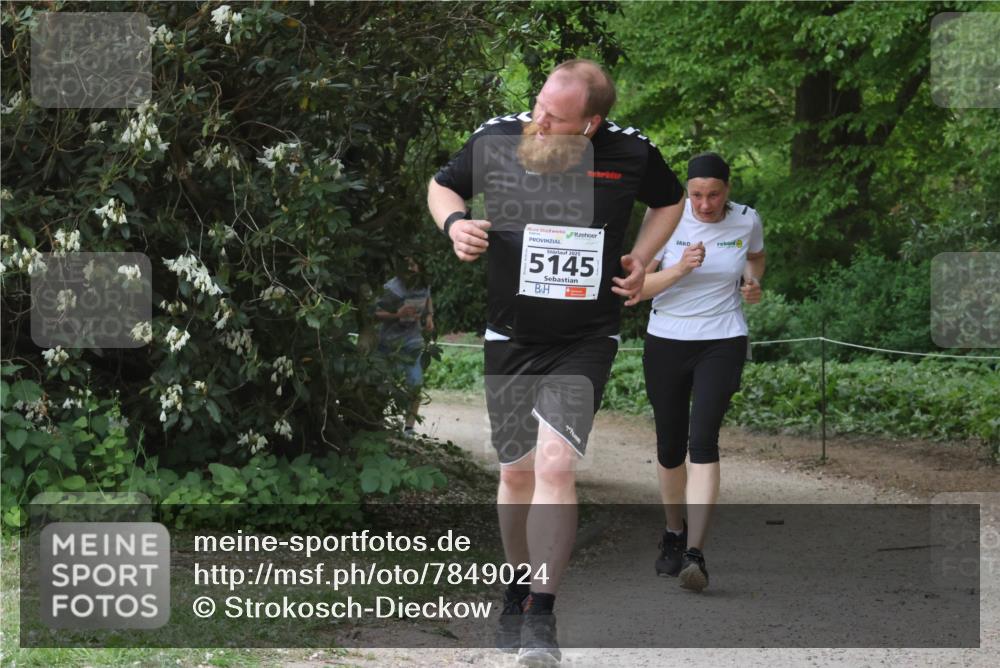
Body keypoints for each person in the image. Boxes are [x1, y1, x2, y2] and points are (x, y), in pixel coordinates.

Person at [427, 59, 684, 665]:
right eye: (538, 105)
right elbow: (442, 186)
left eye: (555, 118)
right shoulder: (497, 137)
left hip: (585, 337)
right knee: (515, 472)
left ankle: (542, 613)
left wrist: (642, 256)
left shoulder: (631, 154)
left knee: (554, 463)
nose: (538, 123)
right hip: (510, 334)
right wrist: (456, 224)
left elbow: (669, 203)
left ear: (591, 124)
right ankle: (517, 583)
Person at [639, 151, 765, 592]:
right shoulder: (666, 219)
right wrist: (679, 269)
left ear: (727, 191)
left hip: (722, 339)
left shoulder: (747, 219)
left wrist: (752, 283)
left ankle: (695, 554)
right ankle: (674, 531)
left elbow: (756, 257)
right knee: (670, 445)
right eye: (696, 195)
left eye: (713, 195)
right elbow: (635, 290)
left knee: (703, 440)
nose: (705, 204)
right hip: (667, 340)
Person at [374, 258, 434, 436]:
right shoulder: (391, 288)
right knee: (384, 387)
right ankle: (377, 423)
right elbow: (374, 314)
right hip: (389, 345)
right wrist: (396, 314)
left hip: (413, 343)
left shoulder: (424, 284)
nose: (411, 268)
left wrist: (430, 316)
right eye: (407, 265)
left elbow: (428, 299)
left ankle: (409, 428)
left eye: (414, 264)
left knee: (415, 385)